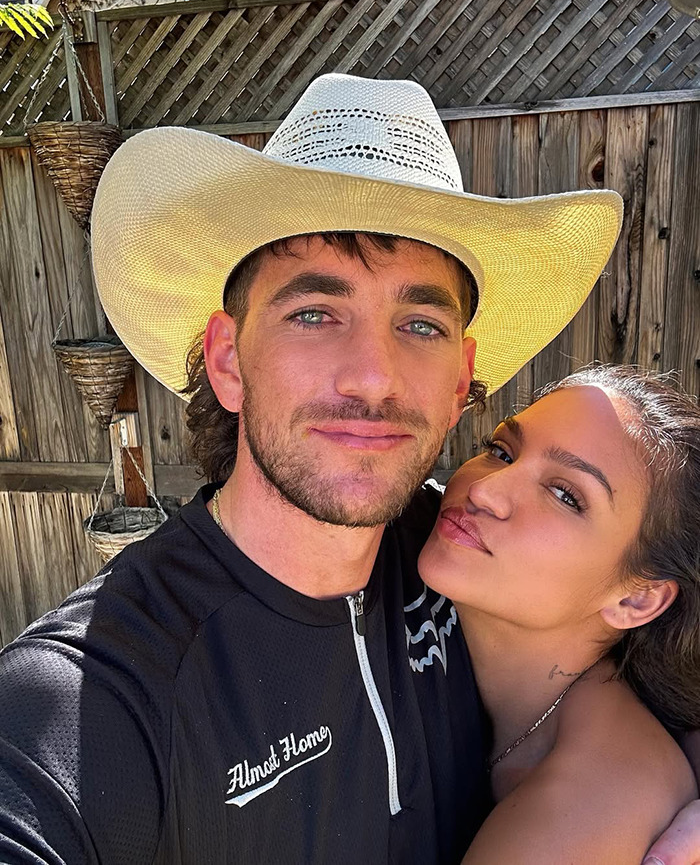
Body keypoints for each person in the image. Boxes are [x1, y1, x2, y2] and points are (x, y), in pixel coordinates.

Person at [0, 72, 695, 863]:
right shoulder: (101, 686)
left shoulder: (458, 548)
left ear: (461, 379)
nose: (373, 376)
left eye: (420, 324)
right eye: (313, 313)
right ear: (227, 360)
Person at [418, 365, 700, 863]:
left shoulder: (588, 810)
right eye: (502, 451)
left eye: (565, 495)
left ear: (636, 599)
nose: (484, 490)